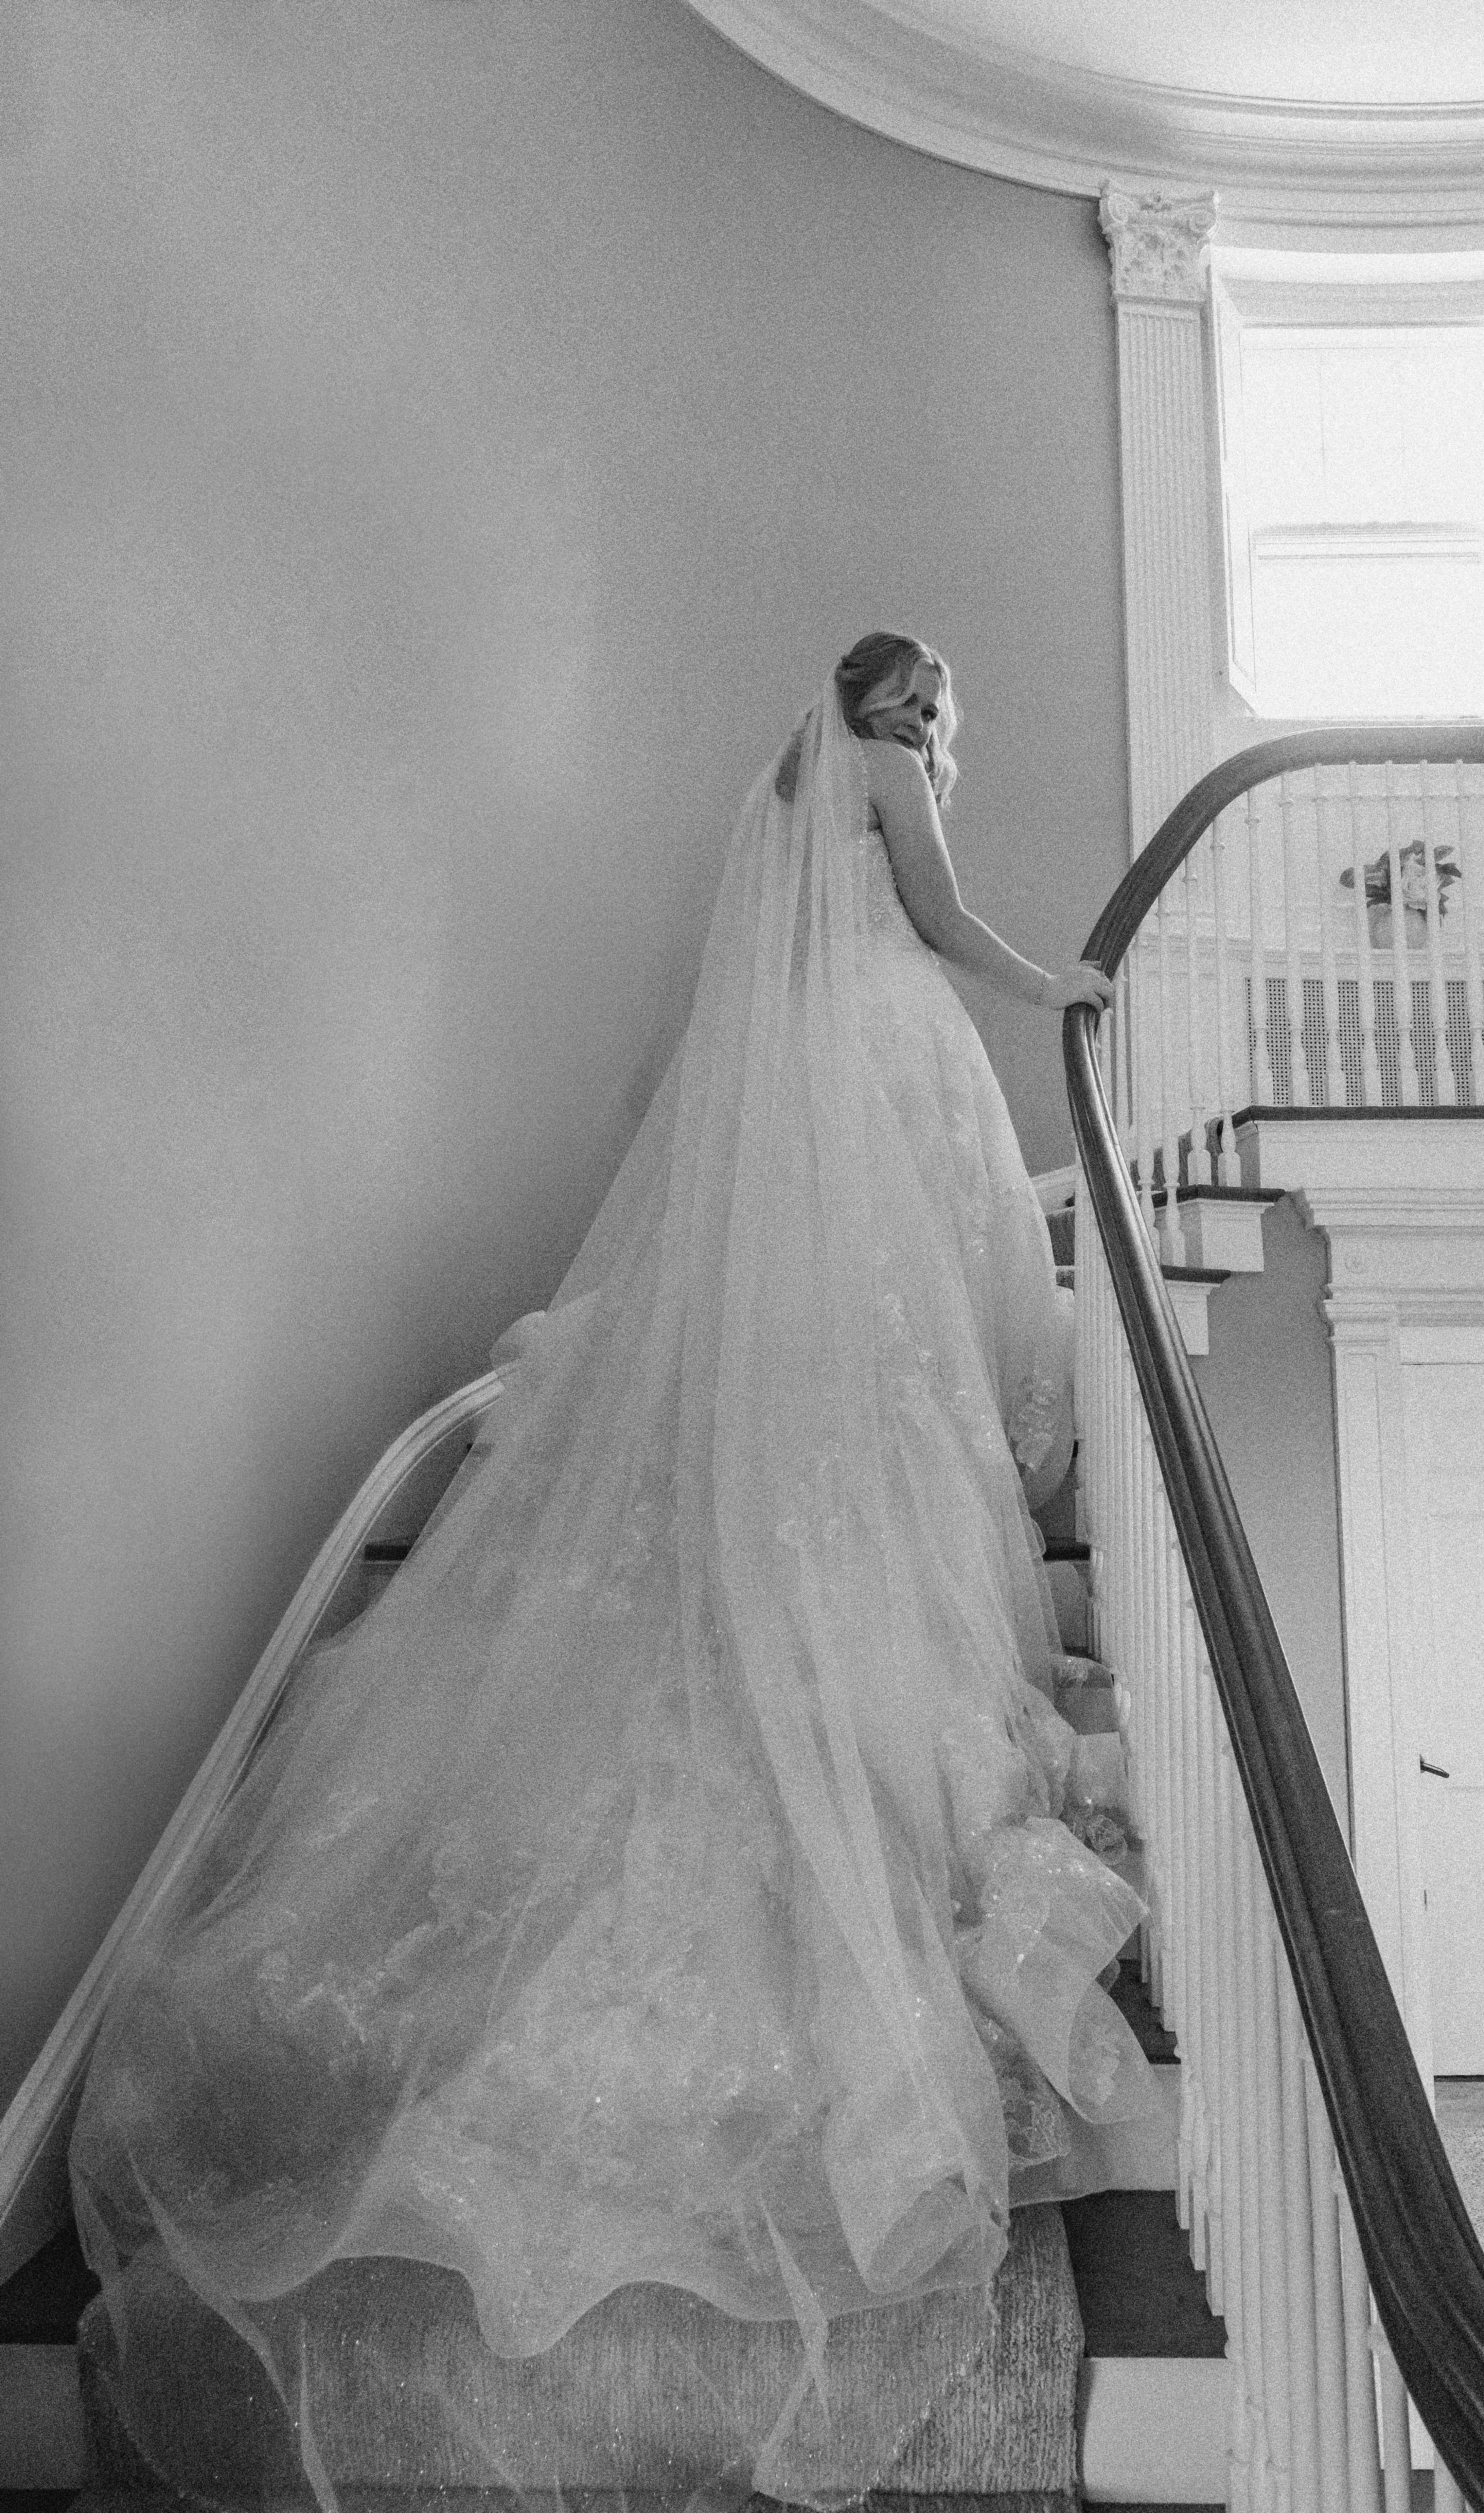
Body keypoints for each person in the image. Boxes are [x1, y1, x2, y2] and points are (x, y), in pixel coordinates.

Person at [69, 632, 1157, 2508]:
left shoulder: (783, 809)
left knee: (859, 1365)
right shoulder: (882, 773)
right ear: (899, 703)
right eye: (938, 708)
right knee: (901, 1367)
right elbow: (950, 914)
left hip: (846, 1065)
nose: (941, 737)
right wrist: (1056, 978)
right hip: (893, 1058)